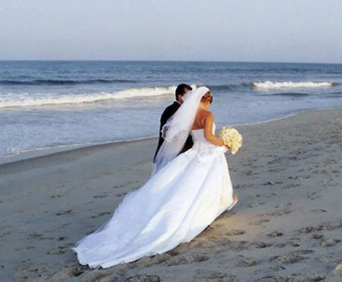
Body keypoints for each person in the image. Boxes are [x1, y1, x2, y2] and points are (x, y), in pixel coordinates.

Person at [72, 87, 238, 269]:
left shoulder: (188, 116)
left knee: (186, 187)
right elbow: (208, 136)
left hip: (193, 154)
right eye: (208, 102)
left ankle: (212, 207)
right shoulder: (208, 115)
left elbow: (184, 135)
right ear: (206, 101)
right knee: (205, 185)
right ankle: (208, 211)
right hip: (207, 153)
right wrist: (225, 142)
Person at [152, 84, 194, 174]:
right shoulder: (173, 110)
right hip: (171, 154)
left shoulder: (179, 109)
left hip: (176, 153)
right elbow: (171, 135)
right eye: (188, 96)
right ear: (180, 96)